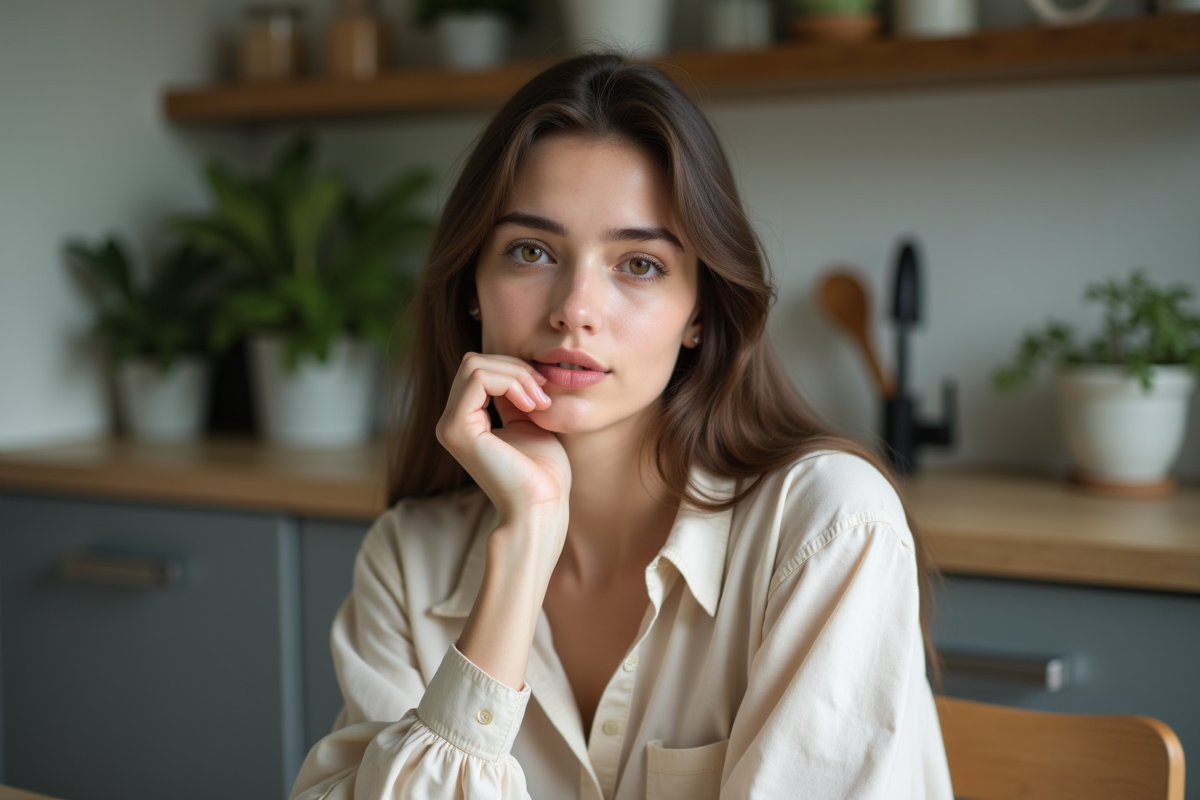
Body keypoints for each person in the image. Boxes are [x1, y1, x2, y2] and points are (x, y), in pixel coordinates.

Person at [290, 53, 953, 800]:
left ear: (699, 312)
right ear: (472, 286)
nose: (576, 307)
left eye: (637, 264)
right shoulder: (408, 561)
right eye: (531, 251)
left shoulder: (829, 527)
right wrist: (524, 549)